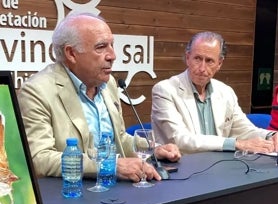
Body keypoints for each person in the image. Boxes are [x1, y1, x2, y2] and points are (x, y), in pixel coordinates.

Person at [18, 12, 180, 183]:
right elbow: (39, 158)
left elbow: (119, 138)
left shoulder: (108, 83)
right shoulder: (37, 91)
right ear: (71, 53)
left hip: (113, 191)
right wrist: (110, 165)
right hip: (71, 195)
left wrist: (153, 148)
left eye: (112, 45)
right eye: (101, 47)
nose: (112, 55)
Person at [151, 31, 278, 155]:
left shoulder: (226, 92)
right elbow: (181, 140)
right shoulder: (165, 90)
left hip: (220, 168)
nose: (202, 68)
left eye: (209, 61)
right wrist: (235, 144)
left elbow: (244, 130)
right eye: (197, 59)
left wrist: (271, 135)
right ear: (188, 57)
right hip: (181, 169)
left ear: (219, 64)